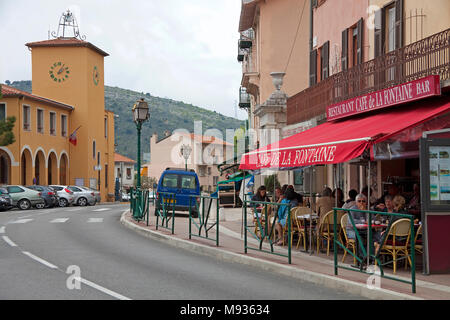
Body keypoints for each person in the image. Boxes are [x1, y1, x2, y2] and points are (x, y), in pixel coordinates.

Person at [346, 194, 368, 268]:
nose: (361, 203)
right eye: (359, 201)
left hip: (364, 230)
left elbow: (372, 219)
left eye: (363, 201)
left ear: (366, 202)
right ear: (356, 202)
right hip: (352, 231)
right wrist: (363, 221)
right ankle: (362, 259)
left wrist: (366, 212)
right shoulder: (352, 209)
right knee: (359, 238)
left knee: (374, 236)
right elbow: (351, 221)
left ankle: (371, 257)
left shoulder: (367, 209)